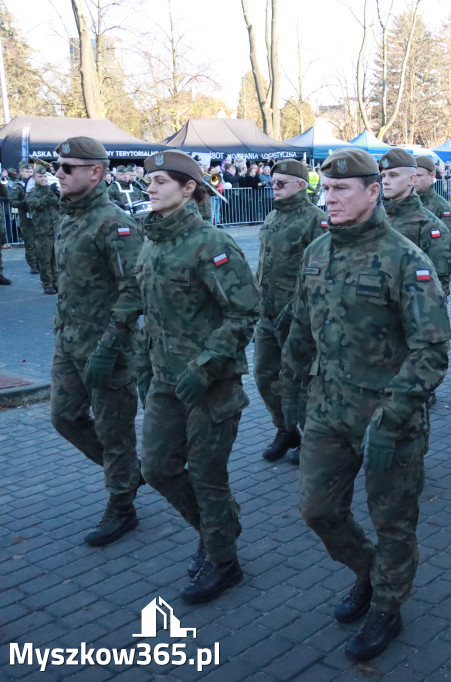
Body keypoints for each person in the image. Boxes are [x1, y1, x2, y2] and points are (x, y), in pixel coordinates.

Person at [279, 148, 450, 661]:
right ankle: (369, 572)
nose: (328, 198)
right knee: (317, 509)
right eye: (325, 189)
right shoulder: (317, 251)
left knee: (393, 520)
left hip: (388, 420)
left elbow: (432, 349)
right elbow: (300, 327)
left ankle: (388, 606)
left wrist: (395, 415)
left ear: (373, 192)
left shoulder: (406, 260)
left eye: (340, 189)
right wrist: (291, 390)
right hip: (328, 410)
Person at [135, 150, 259, 603]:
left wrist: (205, 365)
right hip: (164, 380)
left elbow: (245, 311)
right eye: (149, 180)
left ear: (189, 189)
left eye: (162, 181)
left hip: (211, 384)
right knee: (157, 468)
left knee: (207, 474)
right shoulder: (153, 240)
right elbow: (147, 309)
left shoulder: (212, 243)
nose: (151, 187)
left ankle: (224, 560)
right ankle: (215, 527)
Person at [49, 136, 145, 546]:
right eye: (58, 165)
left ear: (96, 172)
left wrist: (111, 343)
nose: (58, 173)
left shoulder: (115, 222)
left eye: (67, 167)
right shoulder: (67, 217)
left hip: (109, 347)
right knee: (64, 416)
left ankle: (122, 504)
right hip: (69, 342)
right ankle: (127, 472)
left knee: (114, 430)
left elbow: (135, 286)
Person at [253, 159, 326, 464]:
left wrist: (303, 311)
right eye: (272, 183)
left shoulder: (316, 220)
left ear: (300, 184)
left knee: (302, 380)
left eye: (281, 183)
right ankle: (285, 429)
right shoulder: (272, 217)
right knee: (264, 375)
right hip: (267, 315)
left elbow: (321, 272)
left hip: (298, 318)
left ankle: (310, 437)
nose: (275, 188)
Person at [379, 149, 451, 296]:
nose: (385, 181)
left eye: (393, 175)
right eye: (383, 175)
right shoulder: (375, 219)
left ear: (412, 180)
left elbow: (437, 288)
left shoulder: (429, 226)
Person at [414, 155, 451, 262]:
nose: (414, 180)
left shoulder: (443, 208)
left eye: (419, 175)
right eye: (412, 176)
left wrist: (440, 269)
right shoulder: (403, 203)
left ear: (432, 175)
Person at [26, 163, 61, 295]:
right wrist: (50, 193)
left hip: (56, 230)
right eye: (40, 177)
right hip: (43, 232)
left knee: (56, 260)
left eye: (45, 176)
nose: (43, 179)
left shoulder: (52, 191)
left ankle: (57, 282)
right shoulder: (32, 193)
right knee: (45, 259)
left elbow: (61, 205)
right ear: (34, 178)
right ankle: (47, 283)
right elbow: (37, 204)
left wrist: (58, 194)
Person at [10, 162, 37, 274]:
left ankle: (40, 263)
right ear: (21, 171)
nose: (29, 174)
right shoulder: (18, 185)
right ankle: (33, 264)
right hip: (26, 218)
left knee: (39, 242)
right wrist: (24, 203)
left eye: (31, 172)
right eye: (27, 172)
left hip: (37, 217)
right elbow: (13, 201)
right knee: (30, 242)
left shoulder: (34, 184)